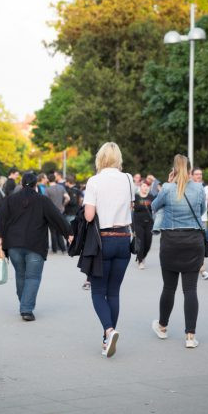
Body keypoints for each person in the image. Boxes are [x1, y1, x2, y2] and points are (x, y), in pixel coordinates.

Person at [0, 172, 72, 321]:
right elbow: (57, 217)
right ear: (35, 185)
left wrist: (0, 242)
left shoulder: (10, 200)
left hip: (13, 244)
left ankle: (24, 303)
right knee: (33, 277)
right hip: (35, 245)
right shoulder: (42, 200)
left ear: (21, 183)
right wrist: (69, 233)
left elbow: (2, 221)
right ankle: (26, 309)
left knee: (20, 274)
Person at [83, 142, 133, 358]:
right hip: (124, 238)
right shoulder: (129, 179)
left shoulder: (94, 181)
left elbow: (89, 216)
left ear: (100, 158)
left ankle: (109, 330)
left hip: (102, 241)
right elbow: (131, 207)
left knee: (97, 291)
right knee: (114, 291)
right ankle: (107, 340)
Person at [151, 154, 205, 349]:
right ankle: (190, 336)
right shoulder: (199, 189)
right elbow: (202, 209)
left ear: (173, 170)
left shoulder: (167, 188)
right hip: (193, 241)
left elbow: (154, 206)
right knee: (190, 290)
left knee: (169, 287)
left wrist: (168, 184)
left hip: (171, 242)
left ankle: (163, 327)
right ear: (190, 171)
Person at [191, 167, 208, 280]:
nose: (199, 176)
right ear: (191, 175)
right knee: (191, 244)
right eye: (196, 174)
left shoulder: (206, 188)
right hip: (189, 221)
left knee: (202, 244)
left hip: (203, 221)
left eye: (200, 174)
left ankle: (202, 269)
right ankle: (191, 265)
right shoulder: (188, 187)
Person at [45, 173, 70, 254]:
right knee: (60, 230)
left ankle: (55, 249)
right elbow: (67, 198)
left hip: (51, 212)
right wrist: (63, 204)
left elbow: (46, 201)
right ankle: (63, 249)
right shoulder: (61, 187)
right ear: (55, 179)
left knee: (53, 231)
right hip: (61, 211)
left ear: (48, 180)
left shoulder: (47, 189)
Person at [133, 179, 154, 269]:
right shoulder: (136, 197)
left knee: (148, 242)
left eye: (147, 186)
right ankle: (140, 260)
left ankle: (142, 256)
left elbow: (155, 208)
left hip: (149, 222)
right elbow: (131, 210)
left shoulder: (151, 197)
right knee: (140, 241)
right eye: (144, 186)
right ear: (140, 187)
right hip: (138, 222)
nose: (145, 188)